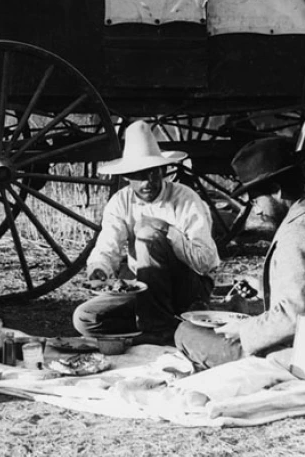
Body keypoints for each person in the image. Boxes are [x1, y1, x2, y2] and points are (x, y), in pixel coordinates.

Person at [174, 136, 305, 370]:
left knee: (186, 332)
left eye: (255, 200)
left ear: (276, 191)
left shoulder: (297, 233)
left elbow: (291, 318)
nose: (257, 210)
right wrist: (264, 287)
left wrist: (243, 330)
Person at [73, 121, 219, 344]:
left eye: (153, 173)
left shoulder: (185, 198)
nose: (148, 182)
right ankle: (173, 326)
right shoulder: (120, 201)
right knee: (85, 319)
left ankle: (158, 329)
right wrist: (100, 268)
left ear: (162, 170)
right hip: (146, 289)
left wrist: (166, 231)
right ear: (127, 177)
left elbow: (206, 262)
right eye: (139, 176)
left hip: (189, 284)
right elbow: (107, 245)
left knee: (147, 233)